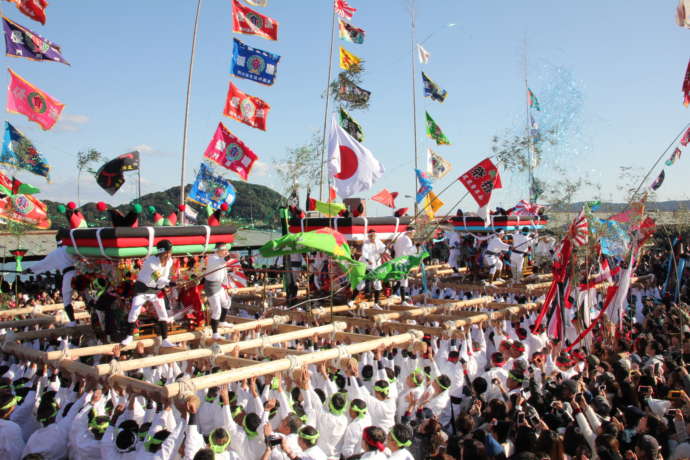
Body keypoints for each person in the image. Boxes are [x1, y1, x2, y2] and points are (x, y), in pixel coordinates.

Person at [121, 239, 175, 347]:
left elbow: (164, 277)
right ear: (161, 252)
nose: (169, 254)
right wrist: (169, 282)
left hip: (156, 290)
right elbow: (158, 277)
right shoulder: (150, 261)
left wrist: (169, 283)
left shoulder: (170, 261)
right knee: (134, 310)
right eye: (168, 252)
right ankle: (129, 336)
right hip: (142, 288)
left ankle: (165, 339)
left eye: (170, 252)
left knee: (163, 313)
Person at [26, 235, 79, 325]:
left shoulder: (55, 253)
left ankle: (73, 322)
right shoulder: (72, 247)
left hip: (68, 275)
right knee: (86, 293)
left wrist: (29, 269)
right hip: (80, 272)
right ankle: (92, 305)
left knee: (66, 300)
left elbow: (42, 264)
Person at [203, 243, 233, 339]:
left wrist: (227, 286)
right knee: (217, 310)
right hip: (211, 286)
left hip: (219, 286)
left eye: (226, 251)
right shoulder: (213, 258)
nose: (225, 252)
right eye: (224, 250)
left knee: (227, 303)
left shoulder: (221, 260)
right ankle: (215, 333)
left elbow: (224, 274)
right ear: (218, 250)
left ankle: (222, 321)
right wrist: (231, 256)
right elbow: (224, 260)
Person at [352, 230, 387, 307]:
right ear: (368, 236)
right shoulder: (366, 243)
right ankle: (352, 300)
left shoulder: (378, 242)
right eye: (371, 236)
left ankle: (376, 303)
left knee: (378, 285)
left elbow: (383, 250)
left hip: (377, 266)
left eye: (374, 236)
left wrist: (385, 249)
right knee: (361, 285)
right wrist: (368, 260)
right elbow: (364, 255)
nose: (372, 238)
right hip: (368, 266)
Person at [393, 228, 417, 306]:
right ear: (410, 232)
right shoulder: (407, 240)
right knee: (403, 281)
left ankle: (393, 293)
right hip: (403, 263)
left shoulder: (399, 239)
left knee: (400, 280)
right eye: (413, 233)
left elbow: (395, 249)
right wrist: (416, 247)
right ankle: (403, 301)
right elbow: (410, 251)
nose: (414, 234)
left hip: (397, 261)